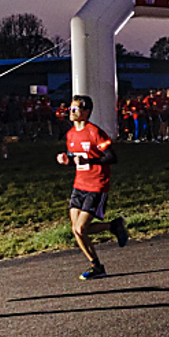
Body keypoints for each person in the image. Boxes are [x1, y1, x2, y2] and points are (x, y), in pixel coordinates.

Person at [56, 95, 128, 279]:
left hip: (97, 184)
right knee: (76, 229)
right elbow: (77, 159)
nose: (71, 112)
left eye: (75, 109)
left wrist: (90, 159)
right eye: (70, 109)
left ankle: (96, 266)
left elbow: (112, 157)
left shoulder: (95, 132)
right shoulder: (71, 134)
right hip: (79, 184)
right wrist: (67, 161)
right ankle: (113, 227)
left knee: (81, 229)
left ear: (86, 112)